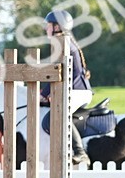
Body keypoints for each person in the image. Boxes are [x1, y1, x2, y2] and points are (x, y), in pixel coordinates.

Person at [39, 9, 91, 165]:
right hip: (74, 90)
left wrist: (45, 93)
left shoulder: (62, 43)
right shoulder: (64, 41)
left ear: (57, 27)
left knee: (57, 115)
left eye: (49, 25)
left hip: (78, 92)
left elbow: (55, 73)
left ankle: (80, 152)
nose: (46, 28)